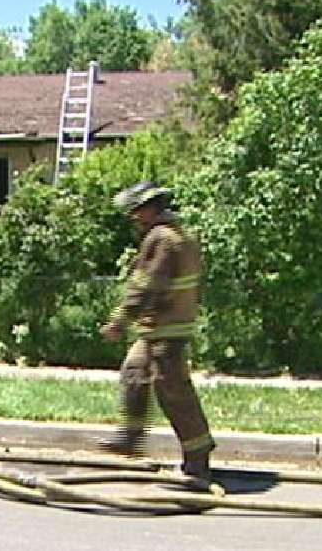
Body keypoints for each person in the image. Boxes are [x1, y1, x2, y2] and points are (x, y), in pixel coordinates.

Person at [98, 181, 215, 480]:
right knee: (134, 373)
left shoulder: (161, 239)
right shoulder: (179, 234)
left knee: (173, 391)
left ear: (152, 208)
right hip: (159, 326)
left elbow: (146, 286)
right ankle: (131, 438)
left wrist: (119, 321)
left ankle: (198, 455)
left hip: (168, 328)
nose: (135, 217)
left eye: (138, 210)